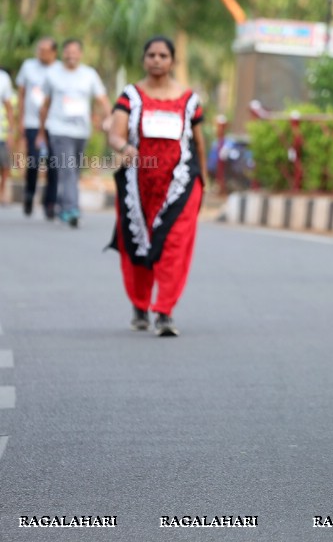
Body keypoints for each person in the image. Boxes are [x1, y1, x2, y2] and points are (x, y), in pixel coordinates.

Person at [107, 36, 207, 337]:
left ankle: (164, 311)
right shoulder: (130, 96)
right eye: (151, 54)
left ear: (173, 61)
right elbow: (115, 133)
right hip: (138, 183)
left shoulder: (190, 100)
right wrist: (123, 146)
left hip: (180, 184)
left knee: (174, 244)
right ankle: (140, 305)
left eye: (163, 55)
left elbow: (199, 143)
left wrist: (203, 178)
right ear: (144, 59)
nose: (157, 60)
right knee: (136, 242)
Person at [36, 39, 110, 227]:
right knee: (67, 168)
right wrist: (41, 132)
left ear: (80, 54)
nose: (71, 55)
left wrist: (108, 117)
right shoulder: (53, 74)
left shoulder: (89, 75)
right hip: (59, 129)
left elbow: (102, 98)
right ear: (62, 54)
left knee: (73, 170)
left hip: (81, 131)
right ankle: (72, 209)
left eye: (75, 52)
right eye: (68, 51)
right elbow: (45, 104)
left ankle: (63, 205)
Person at [15, 37, 59, 217]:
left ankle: (50, 203)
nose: (40, 53)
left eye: (45, 50)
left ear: (54, 52)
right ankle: (29, 194)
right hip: (32, 122)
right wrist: (20, 120)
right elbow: (21, 93)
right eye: (38, 49)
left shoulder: (60, 70)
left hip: (55, 124)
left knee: (54, 163)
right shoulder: (28, 66)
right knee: (33, 160)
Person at [0, 67, 14, 205]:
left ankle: (2, 192)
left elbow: (9, 106)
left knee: (4, 164)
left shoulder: (3, 78)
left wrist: (11, 131)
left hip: (1, 133)